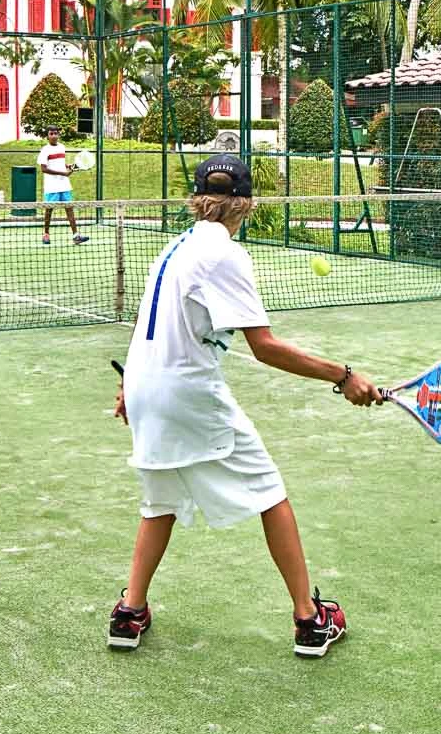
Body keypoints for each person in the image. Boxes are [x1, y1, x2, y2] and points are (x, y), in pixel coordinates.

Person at [108, 154, 380, 658]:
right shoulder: (226, 256)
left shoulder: (175, 247)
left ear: (196, 199)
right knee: (270, 492)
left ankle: (130, 612)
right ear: (247, 204)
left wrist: (132, 388)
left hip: (146, 389)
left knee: (160, 502)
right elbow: (266, 347)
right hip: (188, 394)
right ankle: (309, 620)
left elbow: (151, 323)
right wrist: (343, 376)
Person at [37, 128, 88, 245]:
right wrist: (63, 173)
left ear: (58, 135)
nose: (54, 136)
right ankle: (46, 234)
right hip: (51, 186)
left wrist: (67, 166)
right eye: (51, 134)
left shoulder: (62, 147)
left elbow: (60, 163)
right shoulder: (45, 150)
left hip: (65, 185)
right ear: (47, 136)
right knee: (49, 210)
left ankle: (76, 236)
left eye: (56, 133)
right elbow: (43, 169)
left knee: (69, 209)